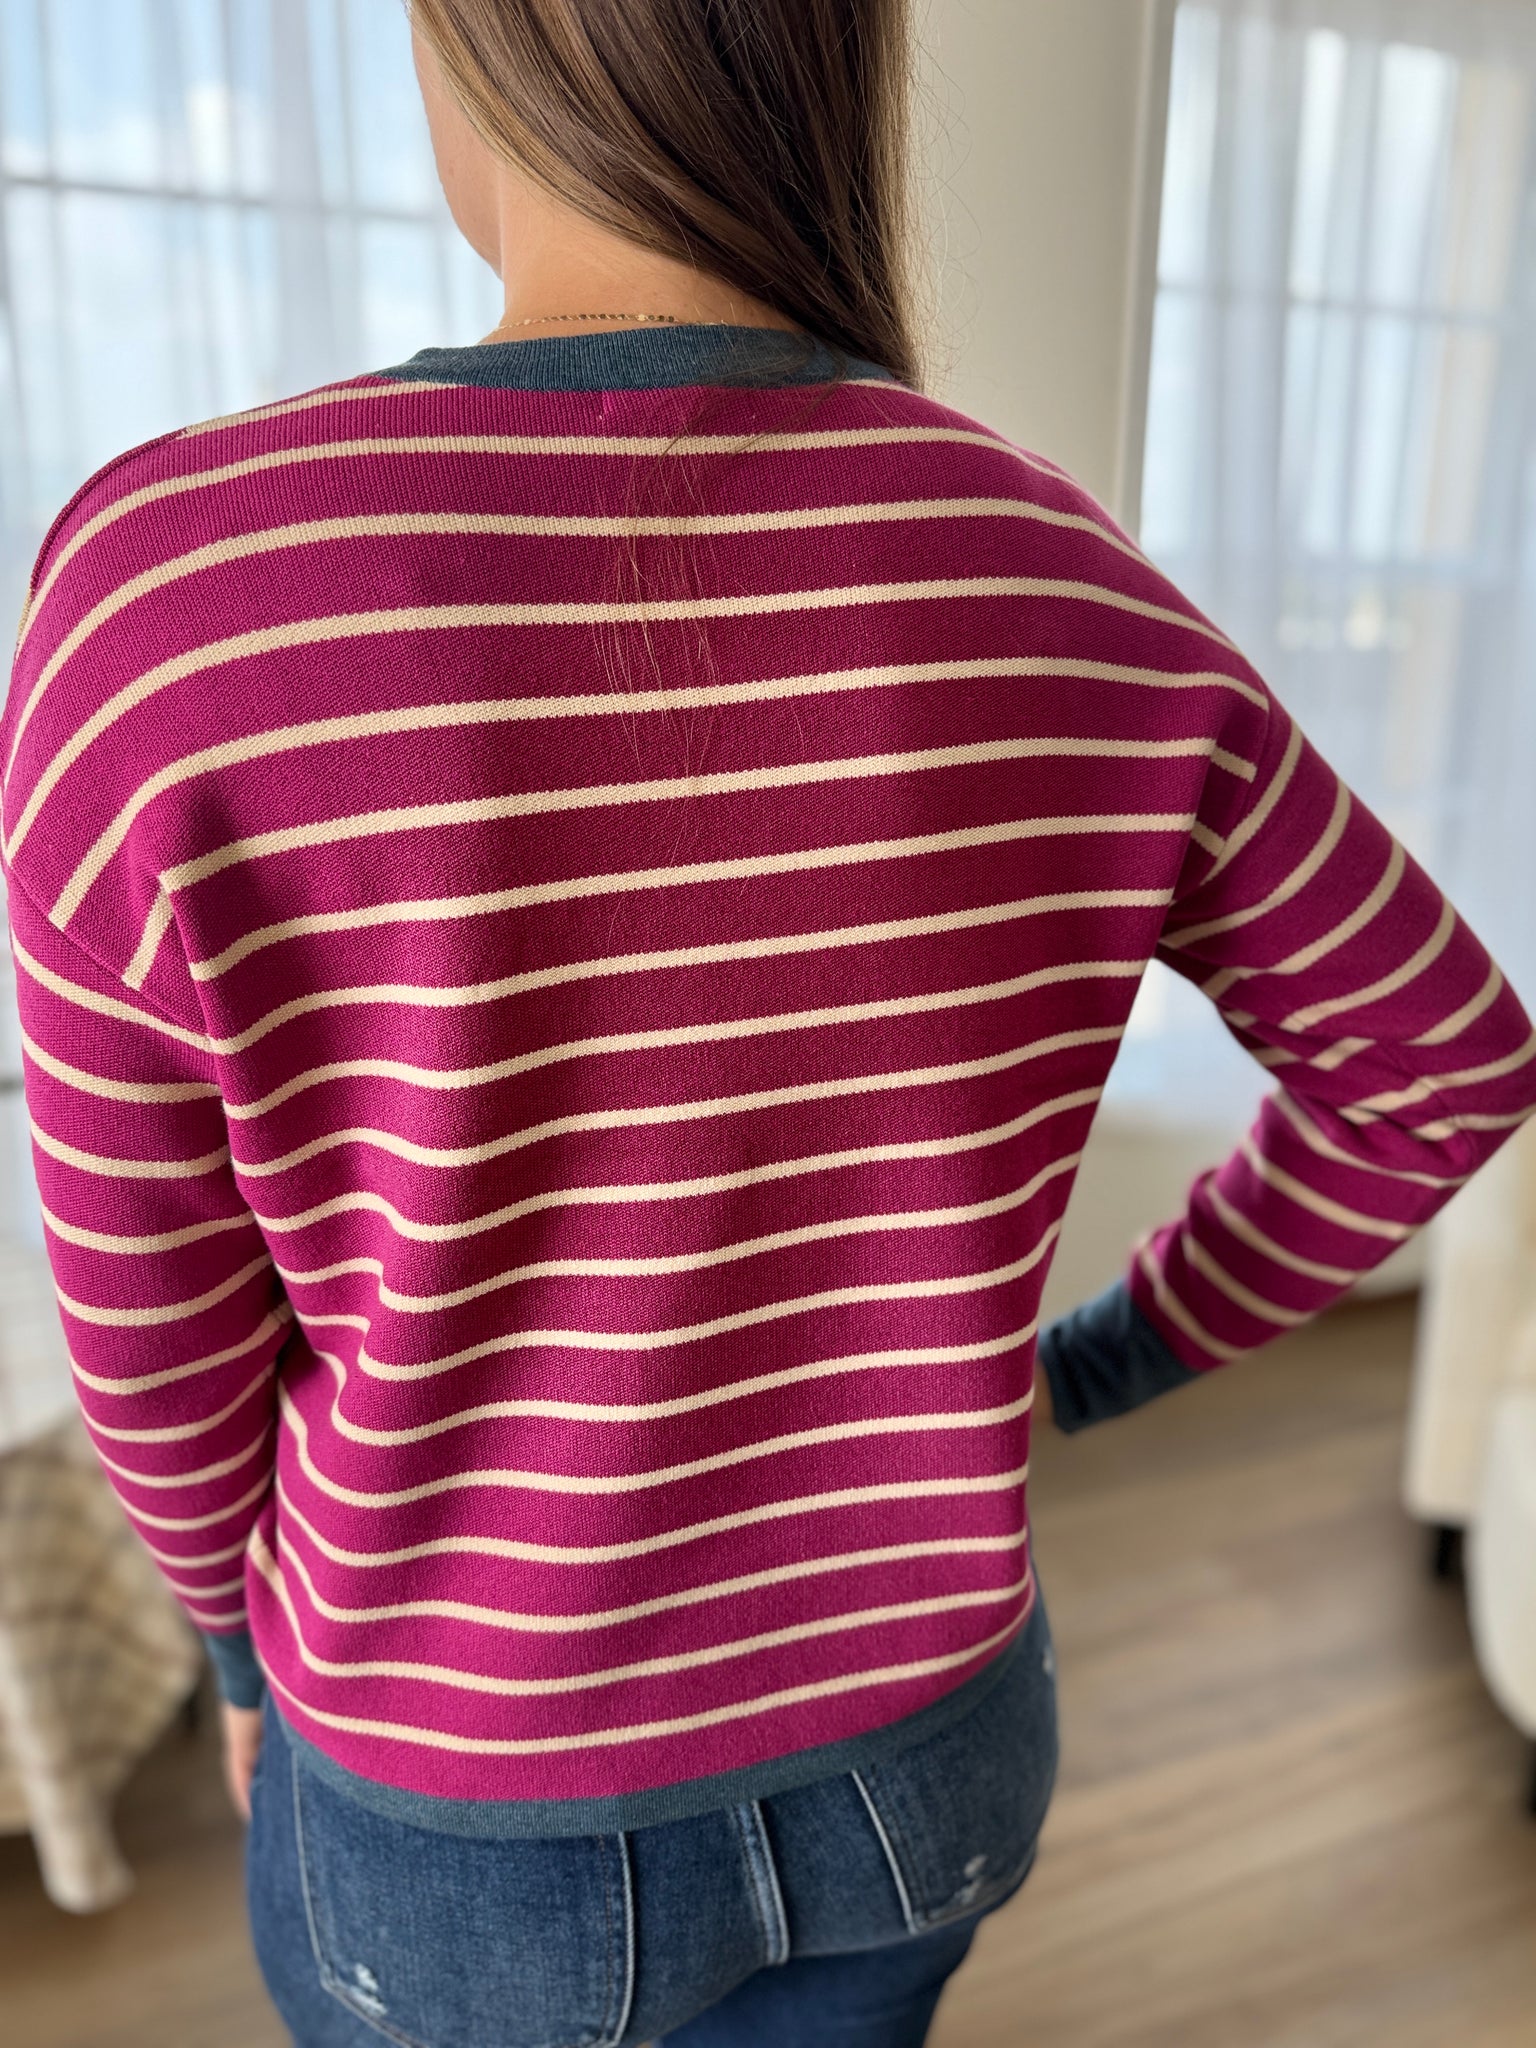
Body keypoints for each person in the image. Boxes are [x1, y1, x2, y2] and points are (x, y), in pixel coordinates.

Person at [4, 2, 1533, 2042]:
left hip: (466, 1807)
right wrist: (1087, 1370)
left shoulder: (177, 596)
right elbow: (1443, 1057)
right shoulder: (1064, 579)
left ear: (473, 47)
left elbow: (149, 1325)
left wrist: (234, 1649)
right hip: (930, 1753)